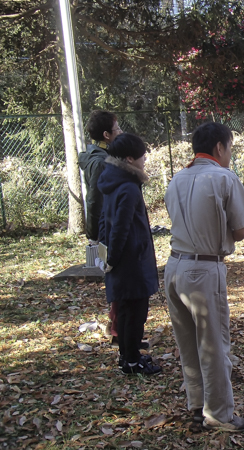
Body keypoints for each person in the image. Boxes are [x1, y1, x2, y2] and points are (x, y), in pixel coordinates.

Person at [164, 122, 244, 432]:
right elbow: (241, 231)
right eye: (230, 147)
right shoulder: (224, 177)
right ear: (220, 147)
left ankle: (196, 405)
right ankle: (219, 414)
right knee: (214, 344)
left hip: (173, 266)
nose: (230, 153)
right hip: (203, 269)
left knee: (188, 343)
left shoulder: (177, 178)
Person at [97, 133, 160, 375]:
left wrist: (106, 255)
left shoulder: (110, 181)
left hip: (119, 259)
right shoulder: (129, 187)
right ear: (130, 159)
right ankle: (133, 361)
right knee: (136, 312)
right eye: (143, 155)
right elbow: (121, 227)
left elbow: (104, 221)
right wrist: (113, 257)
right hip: (132, 261)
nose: (145, 159)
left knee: (123, 310)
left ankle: (126, 357)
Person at [79, 110, 123, 344]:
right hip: (107, 229)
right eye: (117, 129)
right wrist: (94, 235)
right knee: (117, 276)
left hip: (109, 226)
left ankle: (116, 326)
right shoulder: (100, 162)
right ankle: (117, 330)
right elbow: (95, 200)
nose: (121, 132)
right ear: (106, 135)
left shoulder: (102, 156)